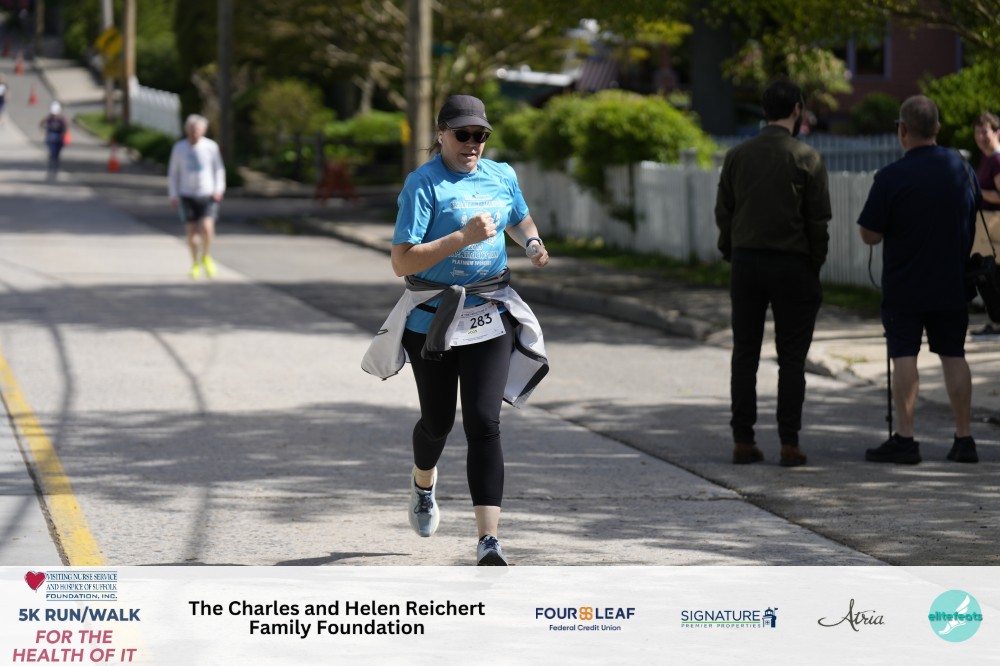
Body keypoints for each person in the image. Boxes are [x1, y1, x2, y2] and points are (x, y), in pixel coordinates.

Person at [361, 95, 550, 566]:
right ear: (441, 134)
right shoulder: (423, 184)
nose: (472, 144)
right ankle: (423, 482)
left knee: (484, 422)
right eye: (462, 134)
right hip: (433, 320)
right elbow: (401, 262)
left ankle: (489, 540)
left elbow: (518, 215)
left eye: (480, 135)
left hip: (489, 312)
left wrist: (531, 241)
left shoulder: (501, 175)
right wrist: (462, 237)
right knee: (438, 423)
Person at [857, 95, 979, 464]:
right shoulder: (962, 168)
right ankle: (964, 438)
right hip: (953, 281)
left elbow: (869, 234)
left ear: (902, 130)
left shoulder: (891, 176)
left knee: (904, 356)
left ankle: (906, 439)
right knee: (954, 355)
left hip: (905, 285)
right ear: (937, 127)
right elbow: (975, 212)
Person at [715, 79, 831, 468]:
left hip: (747, 261)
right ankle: (789, 442)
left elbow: (724, 211)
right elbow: (818, 220)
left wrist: (732, 250)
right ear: (798, 109)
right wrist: (815, 264)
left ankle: (743, 439)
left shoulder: (738, 155)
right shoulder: (807, 157)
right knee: (792, 357)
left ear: (765, 110)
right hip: (793, 263)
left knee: (745, 352)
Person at [168, 114, 226, 280]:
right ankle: (195, 263)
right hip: (187, 194)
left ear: (203, 131)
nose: (195, 133)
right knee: (192, 234)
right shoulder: (179, 148)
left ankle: (206, 255)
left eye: (198, 130)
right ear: (187, 130)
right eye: (192, 130)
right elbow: (173, 173)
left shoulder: (210, 147)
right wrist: (173, 194)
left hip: (207, 193)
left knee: (207, 228)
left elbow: (219, 169)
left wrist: (219, 189)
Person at [968, 111, 1000, 340]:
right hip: (987, 226)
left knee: (993, 275)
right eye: (977, 132)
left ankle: (997, 323)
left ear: (997, 133)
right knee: (989, 275)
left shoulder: (997, 160)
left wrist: (976, 192)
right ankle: (995, 322)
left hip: (995, 225)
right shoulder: (986, 158)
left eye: (985, 132)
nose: (980, 137)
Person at [39, 101, 68, 179]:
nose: (54, 116)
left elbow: (65, 127)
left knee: (57, 154)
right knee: (52, 152)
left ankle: (56, 166)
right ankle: (51, 167)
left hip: (59, 139)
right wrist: (43, 129)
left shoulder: (61, 120)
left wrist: (63, 134)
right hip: (51, 138)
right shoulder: (49, 118)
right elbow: (41, 123)